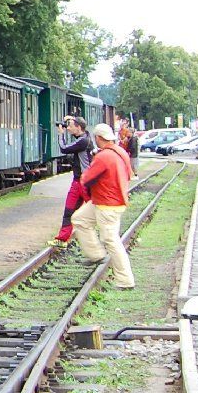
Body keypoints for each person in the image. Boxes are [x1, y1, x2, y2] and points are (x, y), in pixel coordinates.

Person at [73, 122, 135, 290]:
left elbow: (86, 178)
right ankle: (96, 255)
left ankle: (125, 280)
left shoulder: (104, 156)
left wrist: (92, 166)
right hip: (109, 199)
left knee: (111, 240)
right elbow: (130, 174)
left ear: (98, 138)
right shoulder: (120, 152)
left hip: (107, 204)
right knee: (79, 219)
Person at [50, 116, 95, 246]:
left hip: (85, 182)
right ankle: (62, 238)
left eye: (70, 125)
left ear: (79, 127)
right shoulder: (83, 138)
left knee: (94, 210)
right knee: (69, 210)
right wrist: (70, 118)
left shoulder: (83, 141)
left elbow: (64, 148)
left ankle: (99, 236)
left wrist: (61, 135)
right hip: (78, 181)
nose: (68, 128)